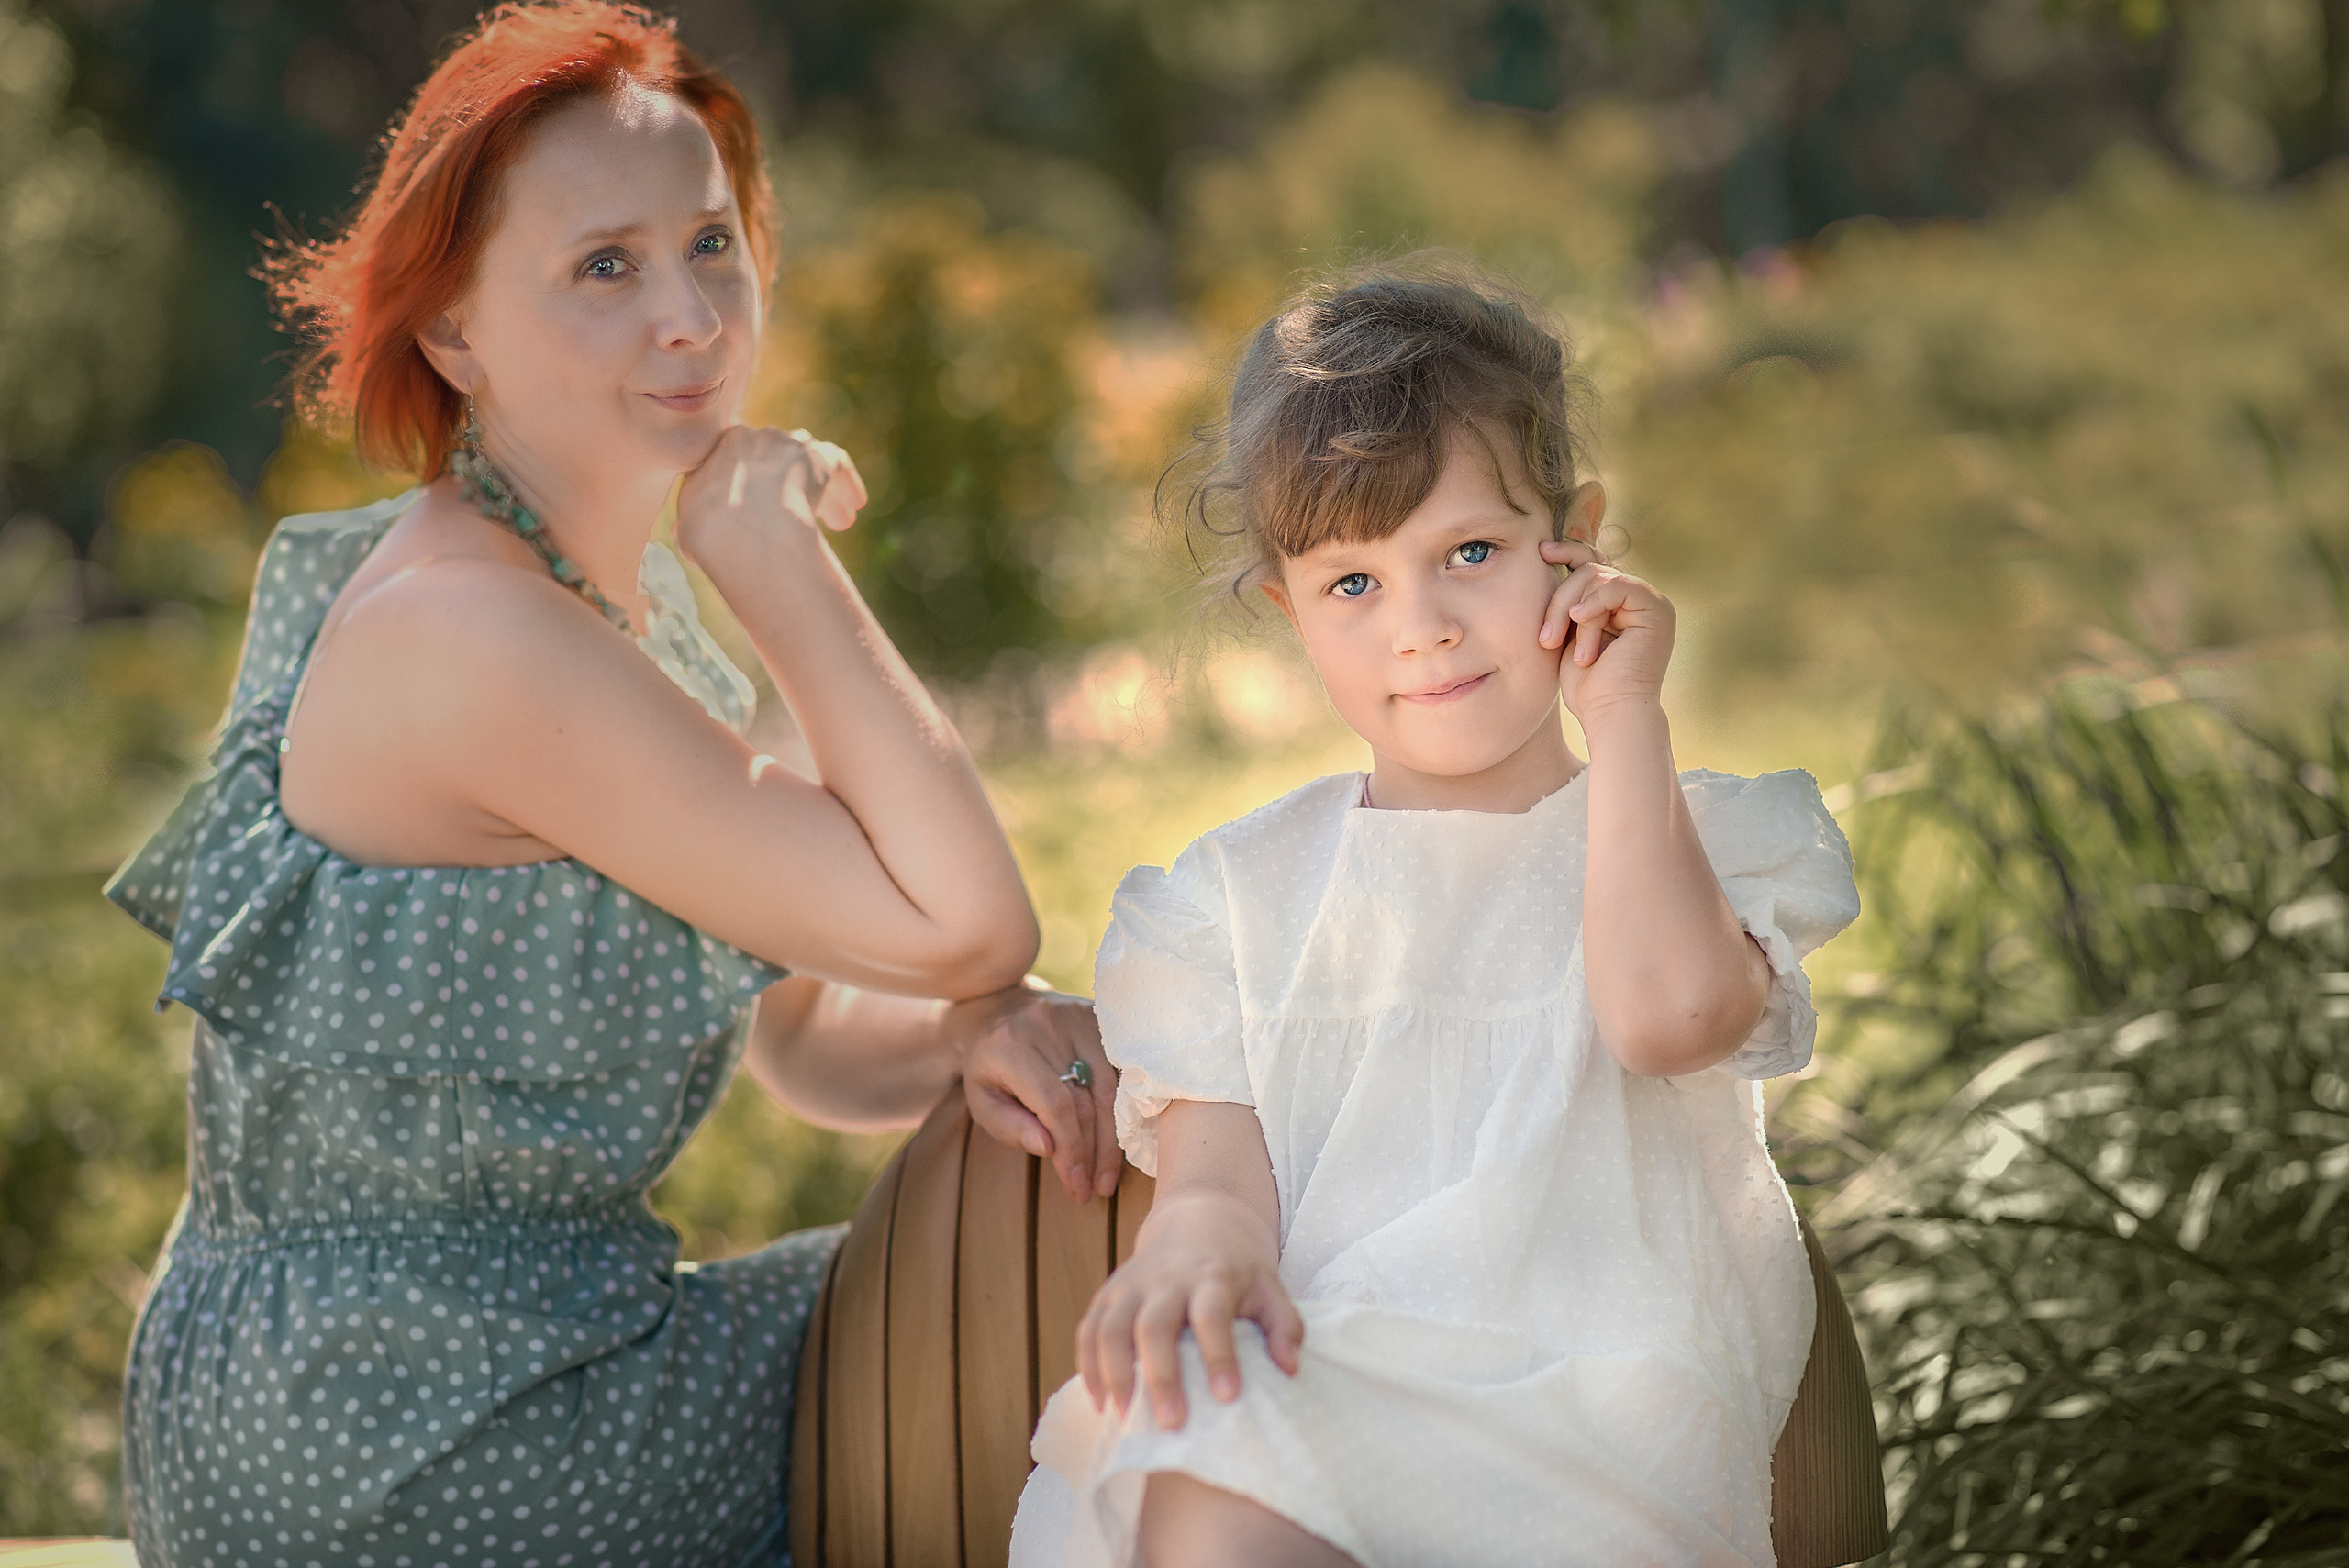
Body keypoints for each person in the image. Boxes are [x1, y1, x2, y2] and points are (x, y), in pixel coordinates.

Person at [101, 6, 1119, 1565]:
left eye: (712, 243)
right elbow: (967, 916)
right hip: (428, 1425)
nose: (693, 316)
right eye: (604, 266)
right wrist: (778, 553)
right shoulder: (474, 629)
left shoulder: (572, 602)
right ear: (450, 331)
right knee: (1104, 1250)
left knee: (1070, 1170)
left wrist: (984, 1030)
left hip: (375, 1395)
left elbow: (810, 1032)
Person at [1007, 260, 1863, 1567]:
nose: (1426, 629)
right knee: (1201, 1468)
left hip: (1604, 1400)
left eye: (1470, 552)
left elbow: (1669, 1016)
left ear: (1575, 539)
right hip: (1331, 1377)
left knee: (1230, 1479)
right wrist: (1190, 1249)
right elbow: (1219, 1183)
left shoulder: (1688, 847)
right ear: (1289, 608)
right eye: (1354, 584)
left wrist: (1624, 715)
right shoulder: (1236, 902)